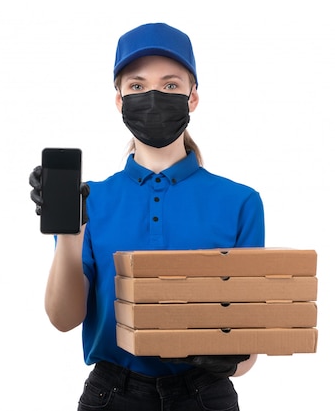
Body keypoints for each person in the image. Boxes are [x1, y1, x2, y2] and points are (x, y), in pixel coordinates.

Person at [29, 22, 265, 411]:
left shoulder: (240, 201)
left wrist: (233, 357)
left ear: (192, 99)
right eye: (137, 86)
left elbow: (247, 352)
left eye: (170, 85)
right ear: (120, 101)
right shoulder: (90, 199)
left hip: (205, 396)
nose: (153, 96)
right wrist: (70, 231)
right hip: (112, 394)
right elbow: (64, 319)